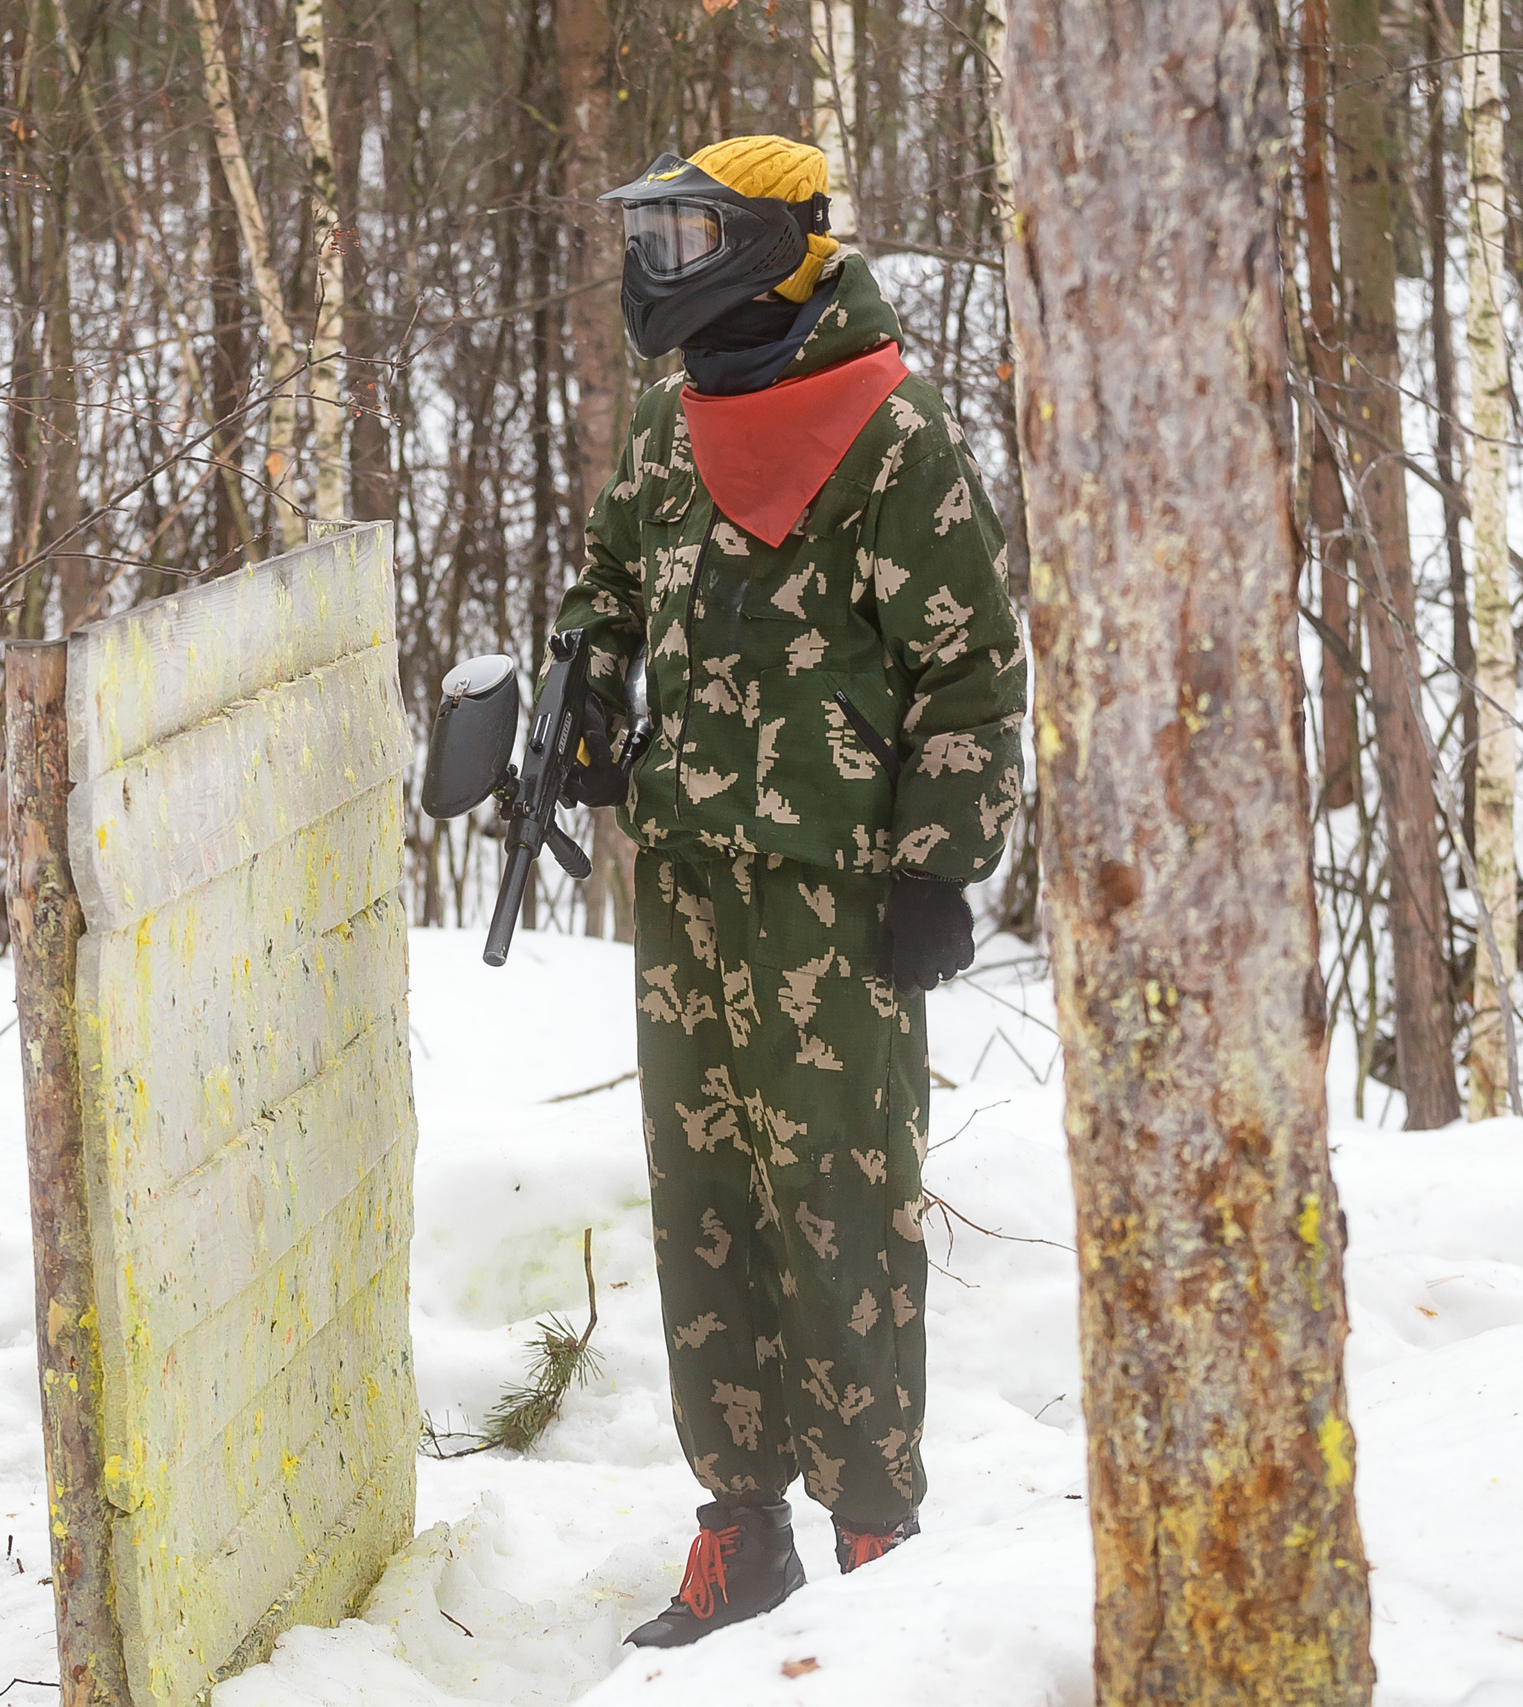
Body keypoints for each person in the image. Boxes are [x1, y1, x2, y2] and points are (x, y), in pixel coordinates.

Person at [551, 135, 1028, 1647]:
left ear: (782, 240)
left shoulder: (893, 431)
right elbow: (609, 581)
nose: (662, 264)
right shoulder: (672, 418)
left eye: (692, 235)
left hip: (837, 898)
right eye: (658, 235)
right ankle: (739, 1535)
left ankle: (879, 1538)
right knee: (707, 1212)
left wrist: (943, 868)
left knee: (844, 1210)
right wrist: (586, 693)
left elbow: (972, 670)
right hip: (689, 880)